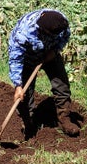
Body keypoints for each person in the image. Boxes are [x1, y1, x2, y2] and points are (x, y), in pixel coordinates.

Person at [8, 9, 80, 139]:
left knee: (62, 86)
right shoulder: (23, 34)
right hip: (28, 58)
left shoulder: (61, 21)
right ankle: (28, 123)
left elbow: (65, 35)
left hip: (50, 54)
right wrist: (18, 86)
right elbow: (15, 59)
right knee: (25, 94)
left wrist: (55, 50)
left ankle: (64, 119)